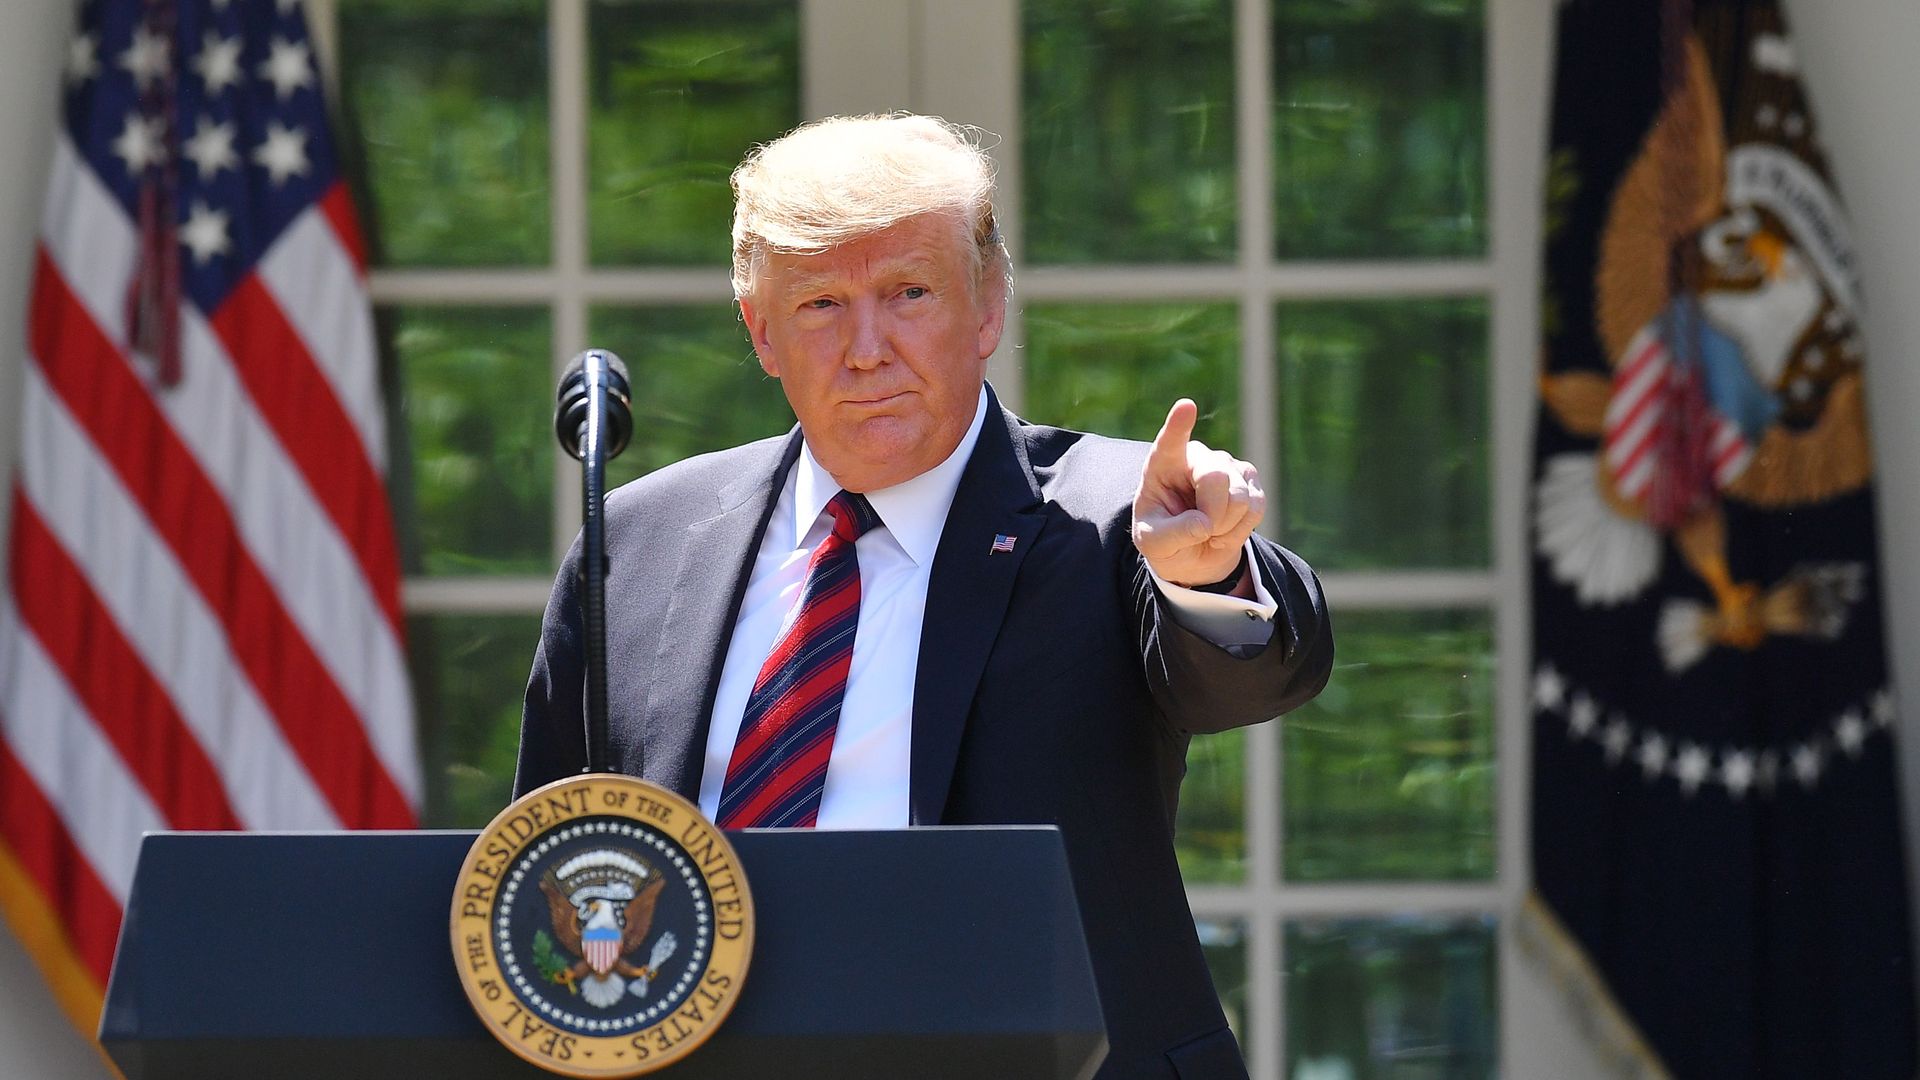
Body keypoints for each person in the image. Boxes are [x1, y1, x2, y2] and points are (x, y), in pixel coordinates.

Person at [515, 113, 1332, 1080]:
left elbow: (1259, 673)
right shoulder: (642, 544)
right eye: (821, 303)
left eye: (909, 293)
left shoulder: (1107, 519)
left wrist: (1203, 571)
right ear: (761, 330)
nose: (868, 348)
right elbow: (544, 880)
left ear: (988, 307)